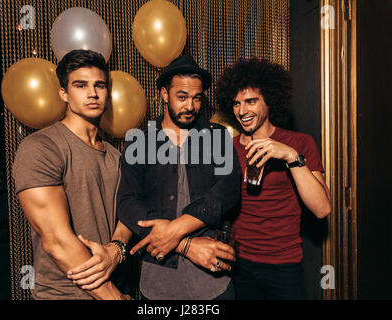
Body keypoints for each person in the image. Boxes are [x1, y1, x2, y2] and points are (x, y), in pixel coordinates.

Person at [117, 55, 241, 300]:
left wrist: (175, 230)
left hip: (213, 281)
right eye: (182, 97)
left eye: (196, 98)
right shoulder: (140, 141)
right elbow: (127, 203)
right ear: (165, 94)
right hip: (158, 283)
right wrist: (185, 245)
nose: (190, 106)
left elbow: (228, 191)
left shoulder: (217, 137)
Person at [13, 49, 133, 300]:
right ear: (64, 93)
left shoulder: (115, 156)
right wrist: (115, 298)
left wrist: (116, 249)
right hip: (65, 295)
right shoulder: (41, 147)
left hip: (116, 286)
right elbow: (57, 241)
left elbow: (129, 210)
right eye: (80, 85)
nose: (92, 93)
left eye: (99, 85)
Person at [215, 56, 331, 300]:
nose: (242, 111)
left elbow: (322, 209)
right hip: (240, 266)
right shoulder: (227, 148)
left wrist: (290, 156)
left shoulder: (299, 144)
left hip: (284, 266)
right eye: (236, 103)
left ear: (270, 100)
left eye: (250, 101)